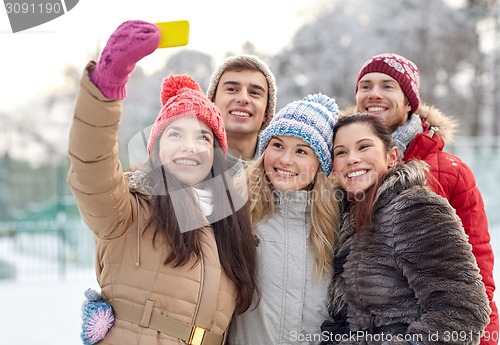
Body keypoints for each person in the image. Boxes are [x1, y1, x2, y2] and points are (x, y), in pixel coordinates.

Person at [67, 20, 258, 345]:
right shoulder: (129, 208)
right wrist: (106, 84)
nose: (190, 145)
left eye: (203, 137)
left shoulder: (230, 224)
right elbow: (90, 164)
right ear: (155, 148)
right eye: (176, 133)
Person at [349, 53, 497, 344]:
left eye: (387, 86)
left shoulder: (449, 171)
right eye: (365, 86)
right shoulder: (341, 166)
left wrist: (483, 337)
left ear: (408, 103)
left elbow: (476, 265)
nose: (374, 93)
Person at [323, 112, 490, 344]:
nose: (351, 159)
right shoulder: (347, 217)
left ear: (391, 157)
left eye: (364, 147)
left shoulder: (414, 209)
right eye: (341, 152)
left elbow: (465, 310)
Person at [227, 93, 341, 344]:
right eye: (277, 145)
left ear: (320, 164)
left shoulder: (337, 229)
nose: (285, 160)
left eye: (302, 151)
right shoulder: (237, 212)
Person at [206, 54, 277, 163]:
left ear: (266, 112)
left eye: (254, 93)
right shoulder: (188, 160)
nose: (243, 98)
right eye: (231, 89)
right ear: (212, 102)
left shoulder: (280, 169)